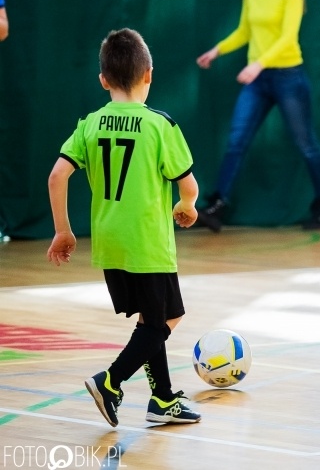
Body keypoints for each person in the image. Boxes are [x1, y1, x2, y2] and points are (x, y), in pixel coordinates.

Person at [46, 28, 201, 427]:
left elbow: (57, 176)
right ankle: (111, 382)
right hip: (147, 242)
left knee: (151, 319)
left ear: (103, 80)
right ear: (148, 74)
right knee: (168, 319)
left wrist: (63, 231)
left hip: (110, 241)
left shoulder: (90, 124)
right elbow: (187, 184)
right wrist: (188, 206)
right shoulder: (159, 125)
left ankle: (163, 399)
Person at [196, 0, 320, 232]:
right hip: (257, 81)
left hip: (288, 76)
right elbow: (245, 30)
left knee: (306, 144)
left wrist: (258, 63)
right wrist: (217, 50)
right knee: (236, 141)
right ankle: (217, 204)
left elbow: (287, 37)